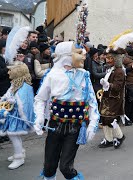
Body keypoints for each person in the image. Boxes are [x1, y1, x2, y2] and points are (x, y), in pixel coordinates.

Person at [33, 41, 99, 180]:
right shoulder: (52, 75)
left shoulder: (84, 75)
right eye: (79, 53)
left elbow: (92, 102)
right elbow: (40, 98)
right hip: (55, 126)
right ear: (66, 55)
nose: (84, 56)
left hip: (75, 127)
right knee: (49, 167)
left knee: (65, 167)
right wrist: (39, 117)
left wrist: (92, 125)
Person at [0, 62, 35, 169]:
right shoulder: (15, 83)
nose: (8, 72)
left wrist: (12, 101)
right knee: (14, 135)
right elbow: (9, 94)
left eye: (10, 70)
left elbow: (24, 102)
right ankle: (20, 152)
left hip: (18, 116)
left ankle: (19, 158)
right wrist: (5, 99)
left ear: (17, 72)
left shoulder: (25, 86)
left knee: (13, 135)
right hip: (12, 114)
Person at [98, 48, 127, 148]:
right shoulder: (111, 69)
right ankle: (109, 139)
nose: (108, 60)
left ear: (116, 59)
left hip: (114, 99)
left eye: (111, 58)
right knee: (104, 118)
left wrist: (108, 84)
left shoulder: (119, 71)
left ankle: (120, 136)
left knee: (110, 119)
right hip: (107, 98)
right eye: (107, 58)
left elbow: (117, 87)